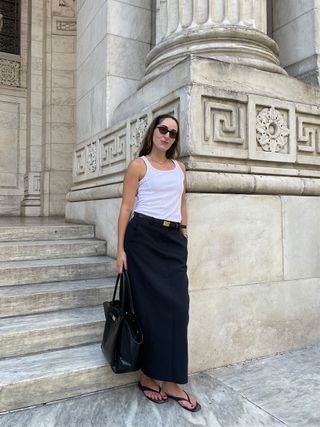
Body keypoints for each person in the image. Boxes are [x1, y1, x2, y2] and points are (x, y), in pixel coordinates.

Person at [116, 114, 201, 412]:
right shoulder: (138, 166)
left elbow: (182, 202)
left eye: (173, 133)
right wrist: (120, 251)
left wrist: (185, 231)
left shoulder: (180, 168)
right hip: (142, 240)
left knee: (179, 308)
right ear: (153, 132)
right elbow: (126, 207)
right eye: (163, 129)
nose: (166, 136)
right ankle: (148, 376)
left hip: (172, 241)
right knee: (149, 311)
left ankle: (172, 380)